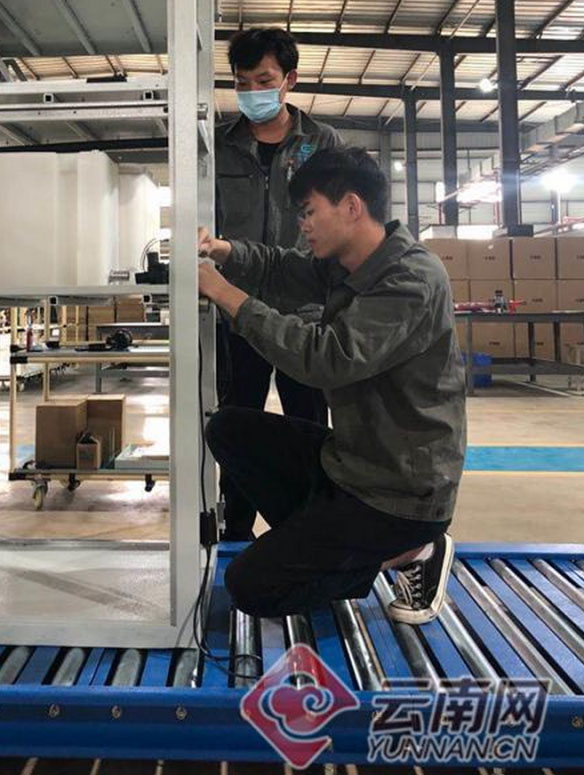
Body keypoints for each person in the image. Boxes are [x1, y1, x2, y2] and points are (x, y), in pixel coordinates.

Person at [197, 146, 466, 624]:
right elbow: (282, 268)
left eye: (308, 212)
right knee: (230, 429)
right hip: (354, 464)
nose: (303, 225)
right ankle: (325, 543)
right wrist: (224, 251)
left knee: (252, 587)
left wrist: (224, 293)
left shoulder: (410, 279)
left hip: (400, 493)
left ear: (351, 206)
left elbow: (326, 358)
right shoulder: (349, 265)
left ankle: (412, 552)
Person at [215, 27, 341, 542]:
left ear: (290, 79)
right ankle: (235, 532)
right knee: (236, 427)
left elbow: (339, 224)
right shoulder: (217, 145)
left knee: (309, 429)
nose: (252, 92)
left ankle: (309, 532)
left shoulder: (322, 143)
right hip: (235, 311)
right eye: (242, 82)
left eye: (264, 80)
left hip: (304, 315)